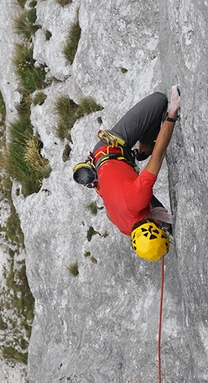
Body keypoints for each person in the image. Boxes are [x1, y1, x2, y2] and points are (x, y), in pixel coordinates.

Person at [73, 87, 181, 261]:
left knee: (159, 101)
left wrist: (172, 113)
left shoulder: (136, 198)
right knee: (148, 201)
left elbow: (159, 154)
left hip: (111, 148)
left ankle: (144, 148)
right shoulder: (126, 228)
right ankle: (143, 149)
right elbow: (110, 213)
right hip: (105, 167)